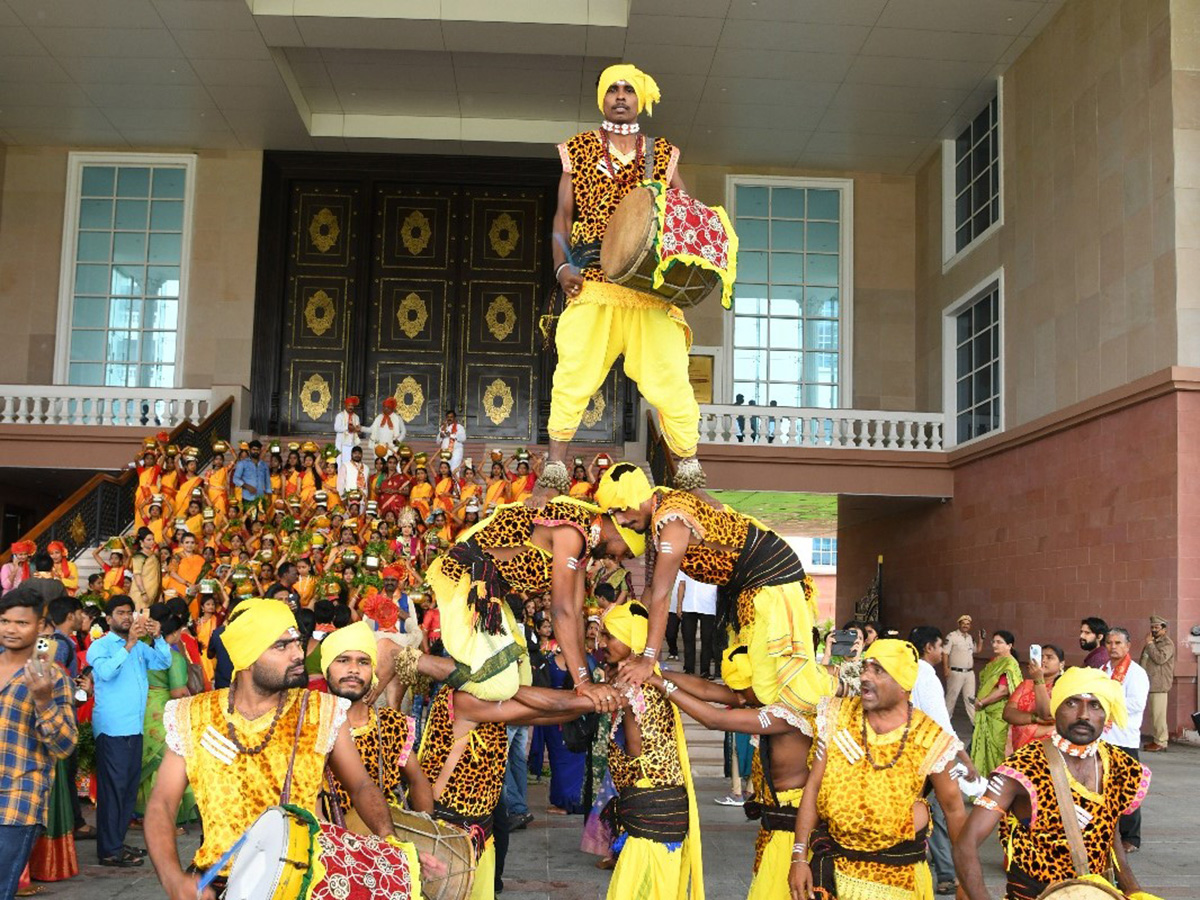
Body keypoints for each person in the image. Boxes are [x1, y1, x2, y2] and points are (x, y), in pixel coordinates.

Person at [144, 598, 435, 900]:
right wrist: (173, 879)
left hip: (304, 883)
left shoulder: (321, 711)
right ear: (248, 657)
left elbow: (361, 785)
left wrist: (390, 840)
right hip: (216, 884)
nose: (298, 654)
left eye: (297, 642)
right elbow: (162, 804)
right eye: (281, 646)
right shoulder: (194, 716)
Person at [539, 64, 711, 502]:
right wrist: (562, 267)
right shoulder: (577, 149)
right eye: (612, 89)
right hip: (593, 280)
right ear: (602, 98)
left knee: (670, 376)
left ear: (640, 99)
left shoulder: (661, 152)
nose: (620, 96)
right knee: (574, 371)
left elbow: (685, 214)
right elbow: (562, 214)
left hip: (648, 289)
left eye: (628, 90)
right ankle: (555, 465)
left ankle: (688, 464)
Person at [596, 463, 834, 716]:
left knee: (778, 683)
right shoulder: (661, 512)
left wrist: (648, 659)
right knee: (753, 683)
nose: (621, 520)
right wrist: (637, 646)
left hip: (771, 581)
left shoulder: (671, 517)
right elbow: (653, 588)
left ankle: (842, 691)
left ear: (637, 496)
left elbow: (662, 594)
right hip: (749, 589)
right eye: (614, 514)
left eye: (621, 510)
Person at [384, 641, 607, 900]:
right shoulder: (465, 699)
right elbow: (551, 707)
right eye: (507, 663)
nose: (515, 667)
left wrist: (593, 700)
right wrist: (597, 697)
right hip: (450, 832)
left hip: (479, 831)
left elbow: (543, 715)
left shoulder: (488, 701)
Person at [374, 497, 643, 710]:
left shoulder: (583, 545)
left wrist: (582, 679)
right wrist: (584, 683)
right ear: (620, 532)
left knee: (521, 679)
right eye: (626, 553)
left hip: (492, 590)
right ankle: (397, 655)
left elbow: (575, 611)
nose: (619, 560)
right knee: (498, 683)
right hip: (468, 578)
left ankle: (410, 672)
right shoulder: (573, 532)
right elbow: (561, 611)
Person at [953, 667, 1157, 900]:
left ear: (1106, 715)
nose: (1083, 714)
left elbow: (1111, 836)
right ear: (1055, 708)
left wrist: (1133, 890)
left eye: (1095, 705)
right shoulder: (1023, 768)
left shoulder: (1121, 767)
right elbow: (965, 845)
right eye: (1072, 703)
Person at [788, 640, 967, 900]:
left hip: (899, 880)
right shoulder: (837, 715)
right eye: (865, 667)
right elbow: (813, 787)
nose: (865, 676)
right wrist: (799, 857)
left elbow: (954, 810)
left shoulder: (931, 738)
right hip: (834, 874)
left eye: (878, 670)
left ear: (904, 683)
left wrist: (965, 880)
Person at [648, 642, 814, 900]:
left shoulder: (784, 714)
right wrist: (655, 671)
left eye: (741, 689)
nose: (736, 697)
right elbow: (706, 689)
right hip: (775, 829)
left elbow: (716, 719)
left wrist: (662, 685)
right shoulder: (758, 697)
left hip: (792, 833)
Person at [596, 602, 704, 900]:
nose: (601, 643)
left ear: (633, 641)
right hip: (647, 812)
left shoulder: (640, 685)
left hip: (655, 815)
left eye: (610, 635)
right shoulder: (635, 680)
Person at [0, 587, 78, 896]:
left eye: (21, 623)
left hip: (18, 801)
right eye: (5, 621)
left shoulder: (52, 677)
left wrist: (44, 701)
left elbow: (64, 746)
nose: (11, 629)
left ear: (40, 627)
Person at [85, 594, 172, 867]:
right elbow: (107, 673)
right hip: (112, 729)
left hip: (134, 727)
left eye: (129, 612)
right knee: (113, 791)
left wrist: (158, 638)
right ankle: (109, 850)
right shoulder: (100, 647)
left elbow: (163, 663)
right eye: (121, 613)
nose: (126, 617)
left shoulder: (140, 648)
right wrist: (130, 644)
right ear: (109, 619)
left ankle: (116, 843)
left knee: (127, 790)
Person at [319, 622, 433, 817]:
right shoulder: (310, 722)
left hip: (384, 840)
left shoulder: (392, 725)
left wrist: (427, 832)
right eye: (343, 660)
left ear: (373, 672)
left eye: (363, 662)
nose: (354, 669)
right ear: (326, 668)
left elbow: (417, 780)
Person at [907, 626, 979, 895]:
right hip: (930, 754)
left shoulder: (907, 670)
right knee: (941, 813)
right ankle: (951, 874)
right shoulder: (925, 675)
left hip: (908, 754)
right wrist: (964, 757)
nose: (941, 652)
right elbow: (942, 724)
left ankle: (944, 871)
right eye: (939, 647)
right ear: (929, 648)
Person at [134, 605, 196, 831]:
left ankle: (140, 814)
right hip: (163, 710)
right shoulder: (173, 657)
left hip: (141, 708)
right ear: (177, 632)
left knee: (146, 761)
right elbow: (178, 692)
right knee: (164, 764)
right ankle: (163, 820)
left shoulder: (144, 650)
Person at [1102, 627, 1150, 853]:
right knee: (1103, 788)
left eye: (1118, 643)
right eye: (1110, 643)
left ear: (1128, 646)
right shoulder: (1102, 670)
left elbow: (1136, 704)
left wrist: (1108, 703)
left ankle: (1131, 837)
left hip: (1124, 739)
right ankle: (1105, 832)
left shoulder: (1136, 673)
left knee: (1128, 790)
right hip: (1103, 738)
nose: (1113, 647)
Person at [970, 630, 1021, 778]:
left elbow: (1003, 691)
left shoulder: (1010, 664)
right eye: (993, 641)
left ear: (1009, 645)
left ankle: (996, 785)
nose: (995, 644)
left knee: (996, 750)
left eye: (999, 642)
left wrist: (982, 702)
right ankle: (983, 784)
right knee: (984, 749)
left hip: (998, 714)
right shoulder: (995, 661)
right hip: (986, 711)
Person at [1003, 643, 1064, 749]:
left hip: (1050, 748)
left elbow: (1047, 715)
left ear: (1061, 664)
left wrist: (1038, 680)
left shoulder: (1064, 686)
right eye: (1041, 657)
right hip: (1022, 748)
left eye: (1049, 657)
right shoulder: (1026, 684)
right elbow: (1007, 713)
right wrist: (1034, 718)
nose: (1043, 660)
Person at [1139, 614, 1175, 752]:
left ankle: (1161, 741)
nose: (1153, 629)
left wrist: (1149, 644)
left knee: (1158, 714)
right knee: (1154, 714)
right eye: (1152, 627)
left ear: (1164, 629)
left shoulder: (1167, 644)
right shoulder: (1153, 642)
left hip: (1159, 684)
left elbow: (1160, 659)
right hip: (1149, 682)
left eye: (1157, 627)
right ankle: (1157, 739)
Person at [943, 614, 982, 723]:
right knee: (951, 698)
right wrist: (945, 668)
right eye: (963, 623)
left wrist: (981, 639)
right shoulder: (952, 636)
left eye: (968, 624)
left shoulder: (969, 637)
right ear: (959, 624)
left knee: (970, 699)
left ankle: (975, 724)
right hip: (956, 672)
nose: (965, 626)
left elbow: (977, 650)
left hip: (969, 673)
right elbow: (945, 653)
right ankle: (944, 723)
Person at [679, 571, 718, 678]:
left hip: (709, 607)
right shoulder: (687, 562)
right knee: (688, 639)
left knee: (707, 640)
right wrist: (679, 605)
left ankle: (705, 671)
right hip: (689, 606)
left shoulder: (714, 562)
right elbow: (682, 584)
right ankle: (688, 669)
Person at [231, 439, 271, 510]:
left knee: (260, 520)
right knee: (248, 520)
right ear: (249, 450)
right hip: (247, 498)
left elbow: (268, 482)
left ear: (260, 451)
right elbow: (235, 479)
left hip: (260, 498)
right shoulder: (242, 463)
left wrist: (269, 497)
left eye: (258, 450)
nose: (256, 451)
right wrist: (247, 486)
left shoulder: (264, 465)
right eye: (254, 449)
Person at [129, 527, 161, 609]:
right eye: (149, 540)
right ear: (141, 542)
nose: (152, 542)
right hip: (141, 593)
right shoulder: (139, 556)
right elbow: (137, 575)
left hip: (152, 592)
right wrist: (143, 593)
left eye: (153, 539)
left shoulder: (153, 555)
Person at [334, 394, 363, 474]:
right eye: (349, 405)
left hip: (352, 444)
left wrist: (357, 429)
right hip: (342, 444)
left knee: (351, 464)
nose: (351, 407)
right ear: (345, 406)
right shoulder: (340, 416)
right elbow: (336, 428)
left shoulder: (356, 417)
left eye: (352, 406)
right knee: (340, 464)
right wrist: (347, 427)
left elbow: (357, 428)